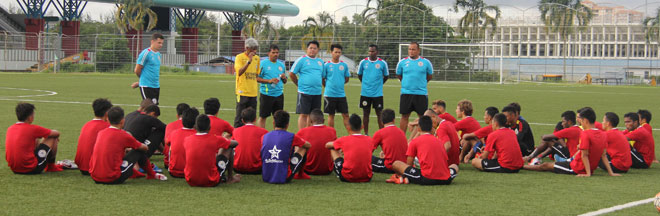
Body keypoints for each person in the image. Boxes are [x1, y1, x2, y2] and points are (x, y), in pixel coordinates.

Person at [523, 108, 620, 177]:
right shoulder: (603, 134)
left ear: (585, 120)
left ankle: (522, 166)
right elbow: (603, 155)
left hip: (576, 168)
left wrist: (587, 173)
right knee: (554, 162)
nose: (580, 122)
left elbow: (585, 155)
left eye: (580, 120)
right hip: (575, 161)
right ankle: (530, 161)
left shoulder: (585, 134)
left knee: (545, 166)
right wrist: (610, 173)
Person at [89, 106, 167, 184]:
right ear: (123, 121)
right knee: (139, 150)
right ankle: (151, 174)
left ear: (108, 120)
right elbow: (145, 148)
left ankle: (141, 173)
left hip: (95, 177)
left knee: (127, 151)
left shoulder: (101, 132)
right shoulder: (124, 135)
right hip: (113, 178)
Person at [389, 116, 459, 185]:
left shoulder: (415, 141)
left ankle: (403, 178)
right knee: (454, 166)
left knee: (396, 164)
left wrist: (408, 172)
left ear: (418, 128)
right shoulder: (439, 141)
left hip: (427, 178)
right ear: (432, 128)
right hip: (446, 179)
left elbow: (409, 163)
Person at [5, 102, 63, 174]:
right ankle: (51, 167)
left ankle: (46, 164)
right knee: (53, 137)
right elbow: (56, 133)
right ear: (30, 117)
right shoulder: (33, 128)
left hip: (14, 169)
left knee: (36, 138)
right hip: (31, 168)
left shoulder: (10, 128)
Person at [184, 114, 240, 187]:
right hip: (210, 181)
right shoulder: (215, 139)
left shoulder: (187, 139)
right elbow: (235, 143)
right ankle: (230, 178)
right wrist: (226, 139)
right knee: (229, 147)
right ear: (209, 127)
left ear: (195, 127)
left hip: (190, 180)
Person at [261, 110, 311, 184]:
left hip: (266, 177)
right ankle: (301, 174)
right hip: (284, 177)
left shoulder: (264, 136)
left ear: (273, 123)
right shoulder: (291, 136)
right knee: (303, 147)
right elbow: (308, 145)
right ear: (287, 125)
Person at [396, 42, 433, 133]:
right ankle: (402, 139)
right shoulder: (402, 62)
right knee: (404, 116)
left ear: (418, 50)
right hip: (406, 93)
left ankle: (423, 138)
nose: (411, 51)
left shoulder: (426, 62)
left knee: (422, 117)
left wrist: (421, 84)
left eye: (413, 49)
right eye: (409, 49)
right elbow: (399, 75)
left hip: (420, 94)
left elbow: (429, 76)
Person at [326, 114, 373, 183]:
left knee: (332, 148)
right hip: (367, 177)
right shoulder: (369, 139)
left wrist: (340, 148)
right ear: (362, 127)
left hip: (348, 177)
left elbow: (327, 145)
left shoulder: (344, 140)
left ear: (348, 127)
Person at [290, 40, 324, 130]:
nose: (312, 50)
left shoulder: (320, 62)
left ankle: (309, 133)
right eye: (311, 48)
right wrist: (298, 84)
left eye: (315, 48)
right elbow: (292, 73)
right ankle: (301, 135)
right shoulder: (301, 60)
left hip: (317, 92)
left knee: (313, 115)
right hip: (304, 92)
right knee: (303, 114)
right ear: (307, 49)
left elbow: (322, 76)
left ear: (318, 50)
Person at [123, 104, 166, 171]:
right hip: (137, 154)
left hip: (124, 152)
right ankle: (167, 154)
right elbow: (167, 128)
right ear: (152, 113)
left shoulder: (130, 115)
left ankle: (164, 152)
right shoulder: (149, 118)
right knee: (160, 131)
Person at [357, 44, 389, 135]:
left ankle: (381, 134)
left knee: (379, 114)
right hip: (365, 93)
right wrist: (365, 84)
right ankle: (366, 133)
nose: (371, 53)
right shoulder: (363, 62)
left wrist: (379, 84)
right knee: (365, 114)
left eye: (373, 51)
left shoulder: (382, 63)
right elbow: (359, 75)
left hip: (377, 94)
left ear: (377, 52)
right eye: (369, 51)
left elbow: (386, 76)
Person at [76, 98, 113, 175]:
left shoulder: (87, 124)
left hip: (82, 166)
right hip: (94, 168)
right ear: (107, 113)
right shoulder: (107, 127)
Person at [296, 109, 337, 176]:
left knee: (299, 145)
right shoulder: (332, 131)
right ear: (323, 121)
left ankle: (296, 167)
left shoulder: (303, 131)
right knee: (334, 146)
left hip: (307, 169)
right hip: (327, 170)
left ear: (310, 121)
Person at [257, 44, 287, 128]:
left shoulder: (281, 65)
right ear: (268, 53)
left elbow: (285, 81)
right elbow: (256, 78)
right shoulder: (263, 64)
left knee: (278, 118)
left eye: (277, 53)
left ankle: (276, 136)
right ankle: (261, 135)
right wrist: (269, 81)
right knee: (263, 117)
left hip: (279, 95)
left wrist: (284, 78)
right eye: (273, 52)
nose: (275, 54)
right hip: (266, 94)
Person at [322, 44, 351, 131]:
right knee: (331, 115)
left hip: (341, 94)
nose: (337, 54)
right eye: (335, 52)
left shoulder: (344, 65)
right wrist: (328, 87)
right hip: (329, 94)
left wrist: (339, 83)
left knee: (346, 115)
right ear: (331, 53)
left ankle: (351, 134)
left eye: (339, 52)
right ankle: (332, 136)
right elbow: (322, 79)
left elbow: (346, 78)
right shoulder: (326, 65)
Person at [234, 38, 261, 128]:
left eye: (256, 48)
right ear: (247, 48)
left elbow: (256, 75)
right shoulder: (239, 57)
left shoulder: (257, 59)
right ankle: (236, 137)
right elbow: (239, 72)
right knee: (239, 118)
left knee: (252, 119)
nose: (255, 51)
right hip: (242, 92)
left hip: (253, 92)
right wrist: (248, 61)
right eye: (253, 49)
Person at [233, 108, 269, 174]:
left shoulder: (235, 131)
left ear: (242, 120)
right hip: (257, 168)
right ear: (255, 119)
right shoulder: (263, 132)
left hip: (237, 168)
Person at [371, 109, 407, 174]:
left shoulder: (380, 133)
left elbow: (369, 151)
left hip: (390, 166)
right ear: (394, 120)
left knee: (366, 157)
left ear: (381, 122)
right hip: (403, 166)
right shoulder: (401, 132)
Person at [131, 33, 164, 105]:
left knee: (154, 108)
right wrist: (142, 81)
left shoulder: (158, 54)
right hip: (146, 86)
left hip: (156, 85)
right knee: (148, 108)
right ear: (152, 42)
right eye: (159, 43)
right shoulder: (146, 53)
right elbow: (137, 70)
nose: (161, 45)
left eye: (162, 43)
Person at [166, 108, 199, 178]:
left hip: (173, 172)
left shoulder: (174, 133)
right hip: (192, 172)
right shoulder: (198, 134)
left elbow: (167, 143)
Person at [163, 103, 190, 169]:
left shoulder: (169, 125)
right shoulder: (192, 127)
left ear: (177, 116)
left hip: (168, 163)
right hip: (185, 165)